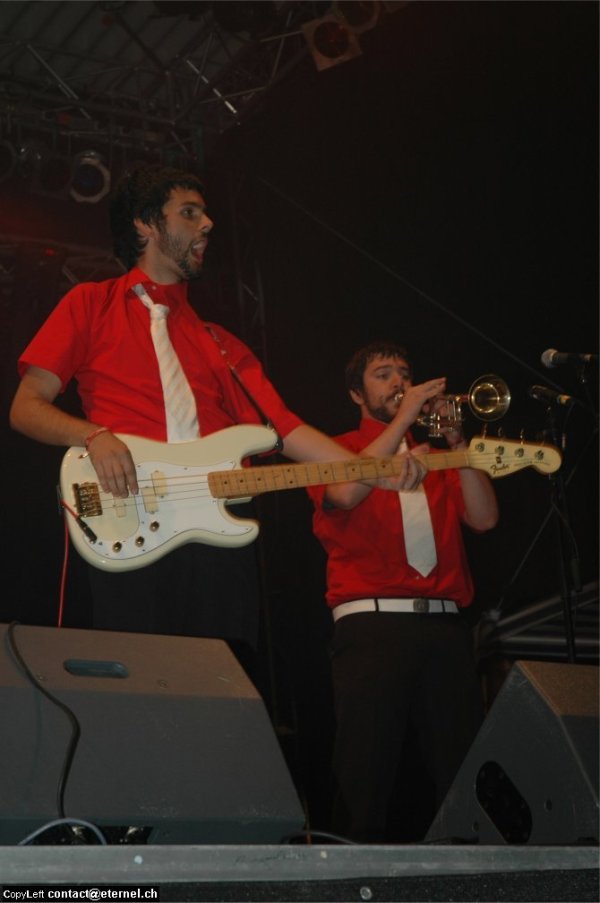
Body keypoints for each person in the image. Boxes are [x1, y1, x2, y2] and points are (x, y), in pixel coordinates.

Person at [9, 165, 422, 667]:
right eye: (189, 213)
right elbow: (26, 407)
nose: (207, 224)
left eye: (204, 214)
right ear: (145, 223)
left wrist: (375, 468)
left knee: (221, 678)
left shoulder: (221, 343)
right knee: (141, 678)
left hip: (216, 536)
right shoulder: (91, 304)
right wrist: (94, 435)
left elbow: (287, 429)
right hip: (129, 519)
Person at [307, 341, 499, 842]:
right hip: (371, 624)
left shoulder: (437, 457)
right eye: (383, 374)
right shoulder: (335, 449)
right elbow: (345, 492)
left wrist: (457, 440)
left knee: (464, 770)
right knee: (364, 776)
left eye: (405, 373)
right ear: (356, 394)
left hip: (444, 624)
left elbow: (484, 518)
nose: (399, 382)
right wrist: (406, 417)